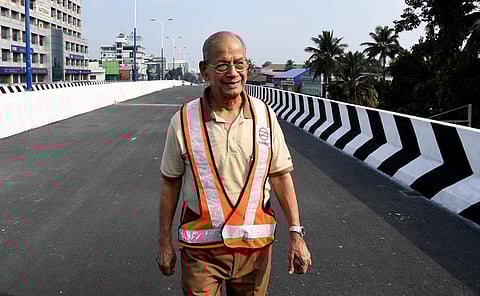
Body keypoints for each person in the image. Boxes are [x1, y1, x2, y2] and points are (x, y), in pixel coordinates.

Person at [157, 31, 312, 296]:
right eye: (222, 65)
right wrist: (164, 242)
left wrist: (296, 235)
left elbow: (281, 177)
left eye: (239, 63)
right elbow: (170, 184)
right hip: (202, 255)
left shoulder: (265, 117)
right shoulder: (183, 121)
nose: (233, 72)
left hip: (255, 253)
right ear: (205, 71)